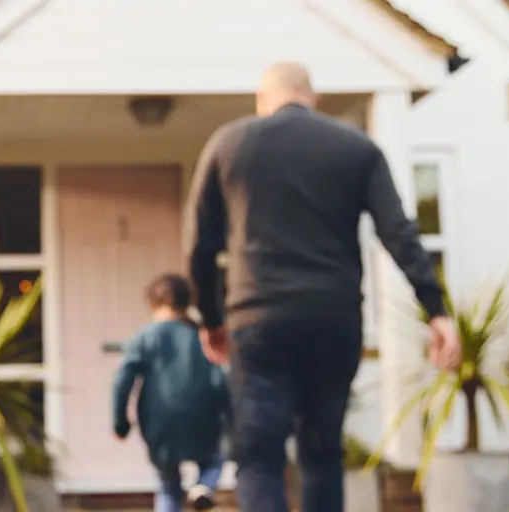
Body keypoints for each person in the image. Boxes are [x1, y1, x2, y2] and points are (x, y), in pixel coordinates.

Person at [184, 62, 461, 512]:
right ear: (312, 98)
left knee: (259, 457)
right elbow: (399, 233)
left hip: (259, 322)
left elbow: (198, 245)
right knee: (321, 453)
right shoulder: (356, 148)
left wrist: (211, 319)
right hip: (334, 322)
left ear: (262, 101)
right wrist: (436, 309)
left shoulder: (229, 143)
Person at [112, 274, 231, 512]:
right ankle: (203, 487)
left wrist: (120, 421)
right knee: (213, 460)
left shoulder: (145, 337)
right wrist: (228, 414)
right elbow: (220, 378)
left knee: (168, 485)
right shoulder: (202, 335)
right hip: (203, 416)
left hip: (158, 421)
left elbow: (123, 380)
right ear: (188, 302)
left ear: (152, 303)